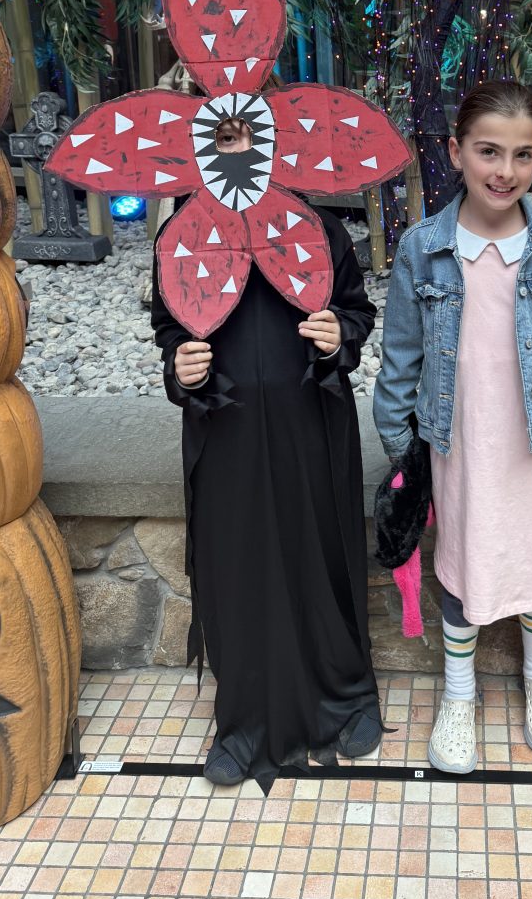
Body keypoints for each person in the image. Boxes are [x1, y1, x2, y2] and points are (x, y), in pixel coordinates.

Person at [373, 81, 532, 773]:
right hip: (460, 445)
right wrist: (405, 456)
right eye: (488, 151)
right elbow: (399, 363)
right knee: (462, 566)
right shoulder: (423, 249)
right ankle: (458, 694)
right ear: (456, 152)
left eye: (523, 154)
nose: (505, 170)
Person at [151, 114, 383, 791]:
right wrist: (181, 368)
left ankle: (345, 697)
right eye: (223, 138)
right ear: (200, 148)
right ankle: (244, 720)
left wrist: (338, 334)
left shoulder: (321, 232)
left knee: (319, 555)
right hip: (227, 433)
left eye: (251, 134)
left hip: (309, 425)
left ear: (281, 144)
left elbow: (357, 312)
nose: (239, 150)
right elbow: (169, 327)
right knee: (238, 565)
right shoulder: (179, 240)